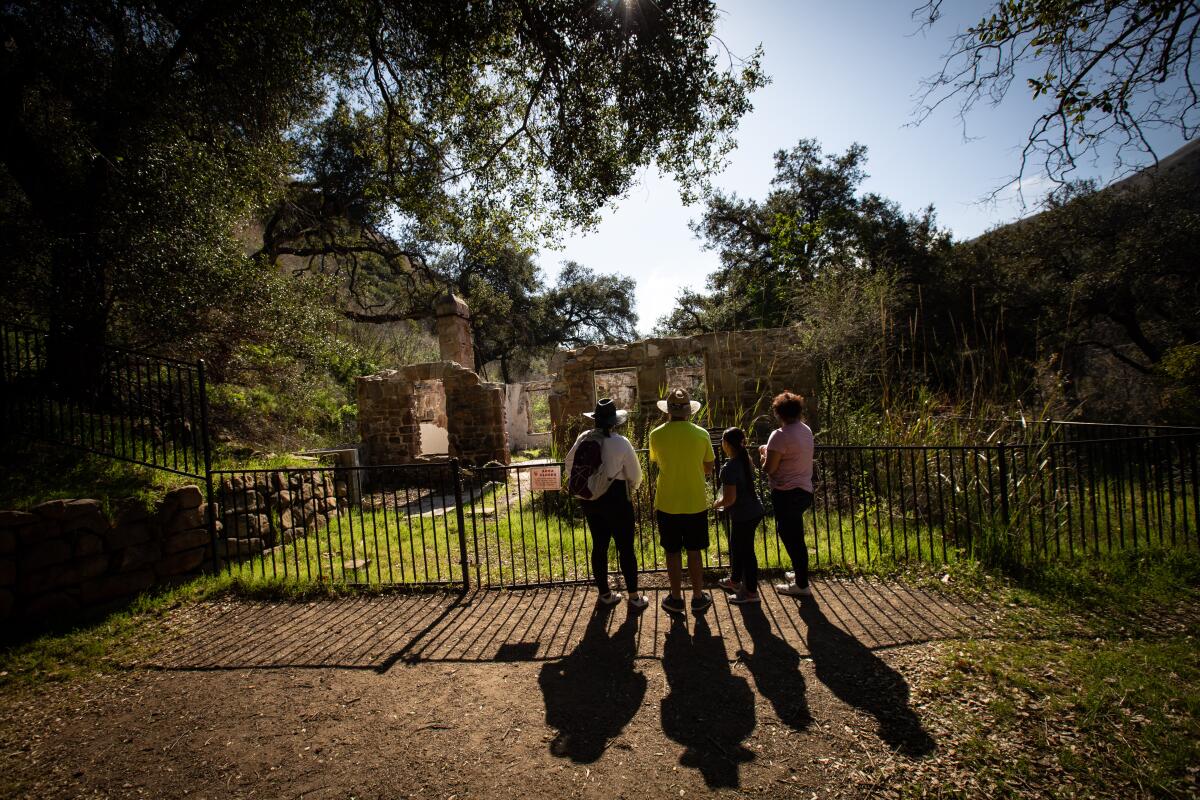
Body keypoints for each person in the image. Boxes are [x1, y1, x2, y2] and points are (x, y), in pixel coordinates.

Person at [564, 398, 647, 608]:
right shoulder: (621, 442)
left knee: (599, 545)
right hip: (617, 497)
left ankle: (604, 593)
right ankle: (634, 597)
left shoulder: (584, 438)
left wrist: (589, 484)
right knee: (626, 548)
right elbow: (636, 475)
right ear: (614, 421)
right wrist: (631, 489)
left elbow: (568, 463)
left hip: (591, 499)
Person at [648, 387, 714, 614]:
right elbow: (708, 467)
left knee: (672, 551)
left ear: (668, 411)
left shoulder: (656, 435)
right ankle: (697, 596)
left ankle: (676, 597)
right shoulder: (701, 434)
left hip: (667, 501)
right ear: (689, 412)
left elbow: (657, 461)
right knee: (695, 551)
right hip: (695, 500)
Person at [758, 391, 814, 597]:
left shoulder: (779, 435)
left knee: (792, 537)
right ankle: (800, 576)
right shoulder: (806, 430)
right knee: (794, 534)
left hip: (786, 493)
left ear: (778, 413)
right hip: (804, 490)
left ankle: (801, 585)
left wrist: (764, 454)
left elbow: (769, 469)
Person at [712, 427, 765, 604]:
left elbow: (730, 498)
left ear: (726, 444)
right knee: (737, 546)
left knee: (746, 552)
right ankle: (735, 581)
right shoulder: (745, 460)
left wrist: (716, 504)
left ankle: (751, 592)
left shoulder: (729, 468)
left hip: (744, 514)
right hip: (752, 510)